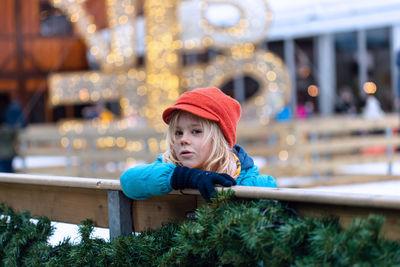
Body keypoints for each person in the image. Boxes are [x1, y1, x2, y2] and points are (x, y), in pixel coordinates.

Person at [120, 87, 277, 203]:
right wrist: (182, 177)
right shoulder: (169, 166)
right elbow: (129, 180)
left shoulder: (246, 178)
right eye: (178, 132)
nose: (184, 139)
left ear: (220, 139)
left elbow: (270, 189)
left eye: (196, 131)